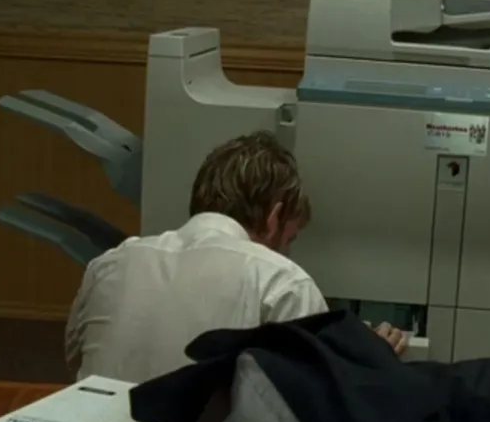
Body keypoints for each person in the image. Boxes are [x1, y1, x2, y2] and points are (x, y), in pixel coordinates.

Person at [66, 131, 408, 383]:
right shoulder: (283, 283)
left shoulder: (109, 263)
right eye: (289, 239)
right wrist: (368, 359)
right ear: (274, 217)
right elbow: (312, 410)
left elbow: (76, 361)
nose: (286, 251)